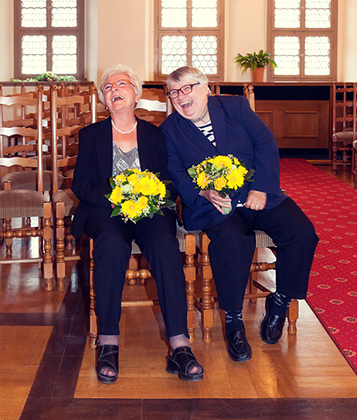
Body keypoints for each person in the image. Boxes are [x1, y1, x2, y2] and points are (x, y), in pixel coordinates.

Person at [160, 66, 319, 363]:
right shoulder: (170, 129)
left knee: (302, 233)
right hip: (215, 206)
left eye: (187, 88)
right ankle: (234, 322)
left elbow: (265, 143)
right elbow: (176, 173)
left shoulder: (235, 106)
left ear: (206, 88)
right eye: (173, 92)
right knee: (234, 242)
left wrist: (260, 187)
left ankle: (280, 301)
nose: (181, 97)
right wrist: (203, 193)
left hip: (258, 195)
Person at [71, 63, 204, 383]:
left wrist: (151, 197)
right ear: (104, 99)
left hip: (150, 208)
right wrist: (116, 198)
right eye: (108, 87)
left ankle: (179, 345)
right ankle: (108, 343)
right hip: (105, 209)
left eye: (122, 84)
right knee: (113, 246)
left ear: (136, 93)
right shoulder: (90, 135)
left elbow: (170, 181)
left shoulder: (155, 135)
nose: (114, 89)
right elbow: (81, 185)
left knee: (163, 245)